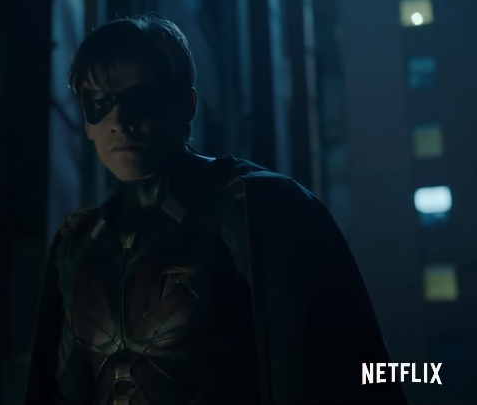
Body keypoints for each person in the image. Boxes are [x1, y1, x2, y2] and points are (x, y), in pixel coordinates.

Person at [24, 14, 407, 405]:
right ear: (87, 122)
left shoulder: (263, 208)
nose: (119, 121)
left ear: (186, 104)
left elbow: (344, 369)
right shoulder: (78, 244)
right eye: (99, 104)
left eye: (141, 98)